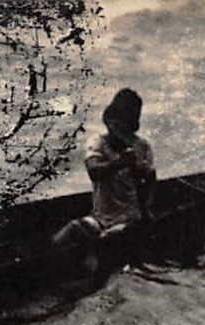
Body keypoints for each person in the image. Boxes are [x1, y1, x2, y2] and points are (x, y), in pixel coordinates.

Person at [53, 87, 156, 247]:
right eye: (114, 124)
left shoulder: (142, 146)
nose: (116, 129)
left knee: (114, 237)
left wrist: (145, 210)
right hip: (100, 218)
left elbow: (150, 176)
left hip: (129, 218)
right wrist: (120, 163)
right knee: (71, 230)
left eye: (122, 125)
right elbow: (94, 172)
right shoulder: (97, 143)